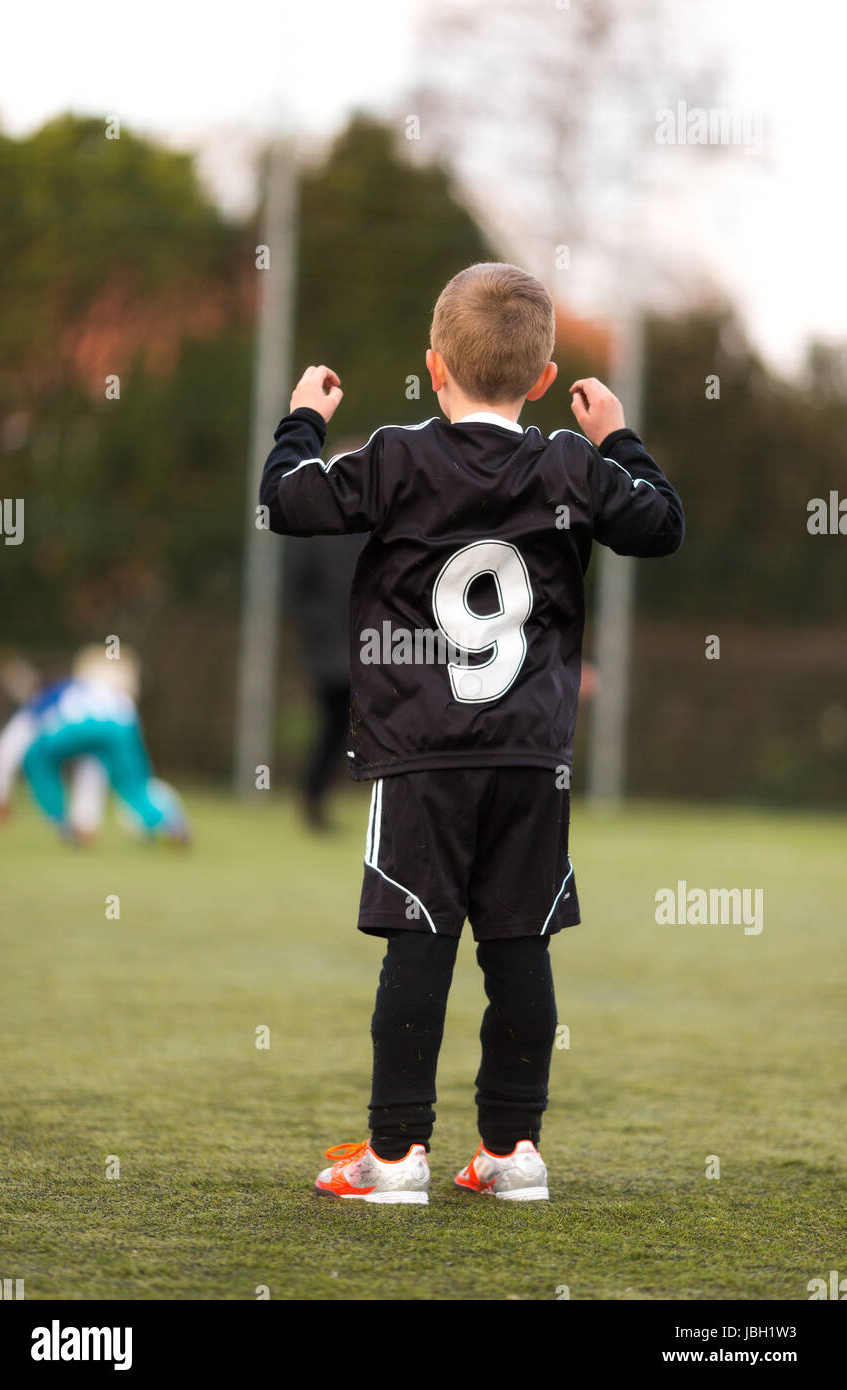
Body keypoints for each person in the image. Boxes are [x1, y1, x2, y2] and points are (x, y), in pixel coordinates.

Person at [260, 262, 684, 1204]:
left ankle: (399, 1156)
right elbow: (661, 525)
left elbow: (286, 500)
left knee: (418, 943)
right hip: (533, 758)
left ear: (432, 366)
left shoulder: (399, 456)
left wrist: (304, 419)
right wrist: (617, 435)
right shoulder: (572, 465)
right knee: (518, 944)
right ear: (542, 381)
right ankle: (512, 1150)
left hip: (424, 752)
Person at [0, 645, 189, 845]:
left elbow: (10, 743)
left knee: (37, 756)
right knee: (133, 784)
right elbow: (94, 765)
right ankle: (169, 823)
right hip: (123, 723)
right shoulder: (117, 695)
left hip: (78, 724)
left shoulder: (53, 694)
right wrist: (87, 818)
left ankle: (60, 820)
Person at [285, 525, 364, 830]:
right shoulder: (314, 531)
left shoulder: (369, 528)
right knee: (334, 725)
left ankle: (316, 797)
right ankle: (313, 798)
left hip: (369, 644)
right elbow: (297, 590)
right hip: (332, 649)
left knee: (343, 727)